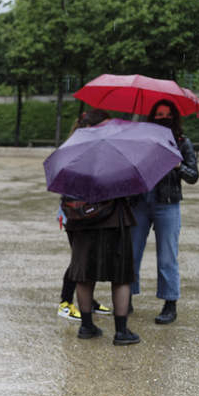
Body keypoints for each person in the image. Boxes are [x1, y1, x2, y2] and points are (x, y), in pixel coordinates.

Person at [63, 110, 139, 346]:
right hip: (114, 221)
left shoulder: (72, 151)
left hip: (81, 221)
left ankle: (87, 327)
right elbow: (131, 188)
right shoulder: (117, 153)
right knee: (121, 276)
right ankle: (121, 331)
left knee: (84, 275)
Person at [130, 99, 199, 324]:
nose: (162, 118)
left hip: (167, 203)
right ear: (152, 117)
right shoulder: (142, 140)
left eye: (166, 114)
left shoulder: (182, 142)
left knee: (167, 257)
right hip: (140, 201)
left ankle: (170, 304)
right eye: (158, 114)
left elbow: (193, 176)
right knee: (132, 252)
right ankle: (126, 297)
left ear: (174, 117)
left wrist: (177, 164)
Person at [57, 113, 112, 321]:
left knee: (90, 257)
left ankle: (88, 300)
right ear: (90, 127)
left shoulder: (94, 148)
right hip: (75, 211)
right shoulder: (74, 148)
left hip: (91, 211)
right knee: (79, 259)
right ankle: (65, 302)